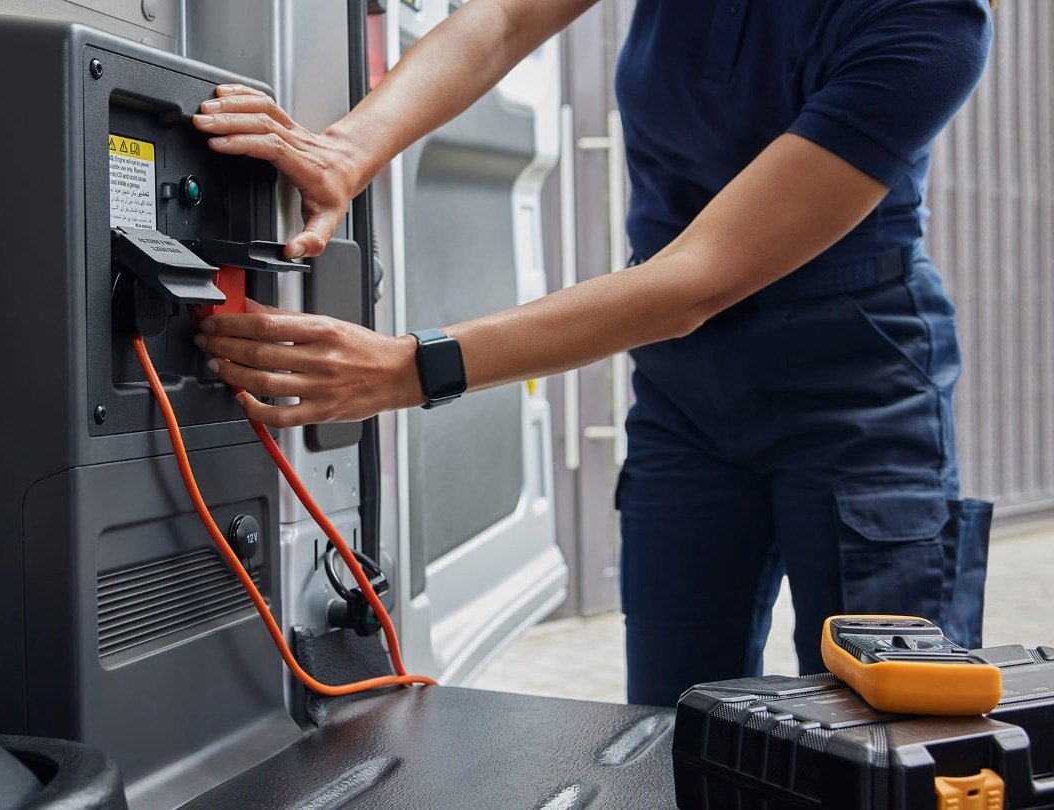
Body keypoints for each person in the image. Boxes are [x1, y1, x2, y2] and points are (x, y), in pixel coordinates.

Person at [189, 0, 996, 707]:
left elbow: (694, 282)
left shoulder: (931, 21)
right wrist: (349, 147)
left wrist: (409, 368)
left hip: (856, 389)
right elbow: (505, 18)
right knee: (677, 725)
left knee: (889, 724)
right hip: (687, 397)